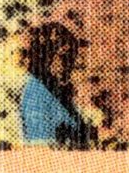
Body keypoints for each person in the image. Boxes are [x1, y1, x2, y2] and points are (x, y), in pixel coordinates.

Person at [16, 20, 94, 149]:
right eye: (65, 56)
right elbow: (41, 153)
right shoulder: (37, 96)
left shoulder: (54, 91)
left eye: (73, 55)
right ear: (45, 57)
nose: (72, 63)